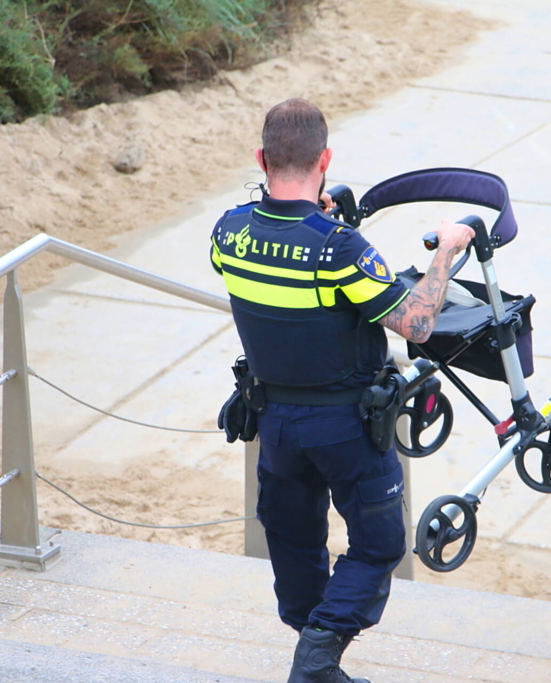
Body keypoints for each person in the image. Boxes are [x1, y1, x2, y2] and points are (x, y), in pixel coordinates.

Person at [210, 98, 474, 683]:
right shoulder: (340, 248)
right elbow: (416, 324)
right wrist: (448, 251)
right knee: (379, 544)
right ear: (325, 159)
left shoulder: (228, 232)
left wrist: (313, 217)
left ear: (261, 157)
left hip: (273, 420)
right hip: (345, 428)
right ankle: (317, 658)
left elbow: (274, 248)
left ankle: (315, 652)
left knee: (294, 537)